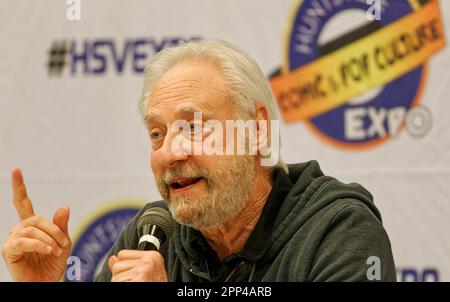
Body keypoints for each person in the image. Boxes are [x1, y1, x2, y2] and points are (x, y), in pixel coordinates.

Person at [2, 40, 396, 282]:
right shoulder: (151, 238)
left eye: (193, 127)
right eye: (157, 134)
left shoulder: (337, 230)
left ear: (257, 130)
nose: (170, 152)